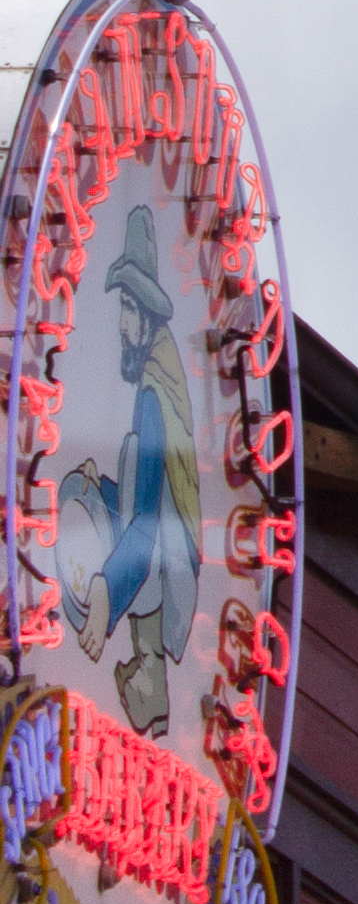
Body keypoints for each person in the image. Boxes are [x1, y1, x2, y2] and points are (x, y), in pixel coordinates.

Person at [56, 206, 202, 735]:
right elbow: (151, 496)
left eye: (126, 307)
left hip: (156, 585)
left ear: (146, 316)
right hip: (159, 582)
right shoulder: (162, 387)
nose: (121, 324)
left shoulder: (154, 400)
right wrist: (104, 487)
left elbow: (148, 523)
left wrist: (104, 596)